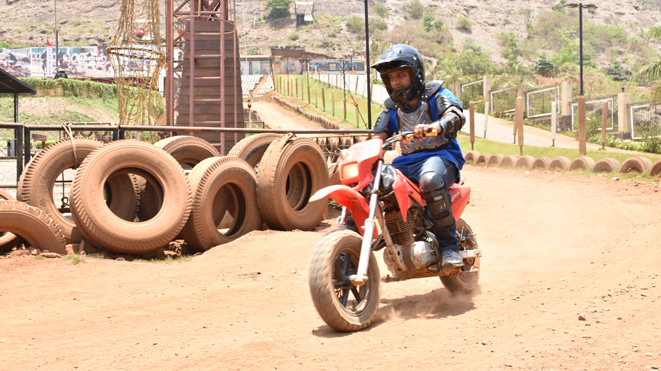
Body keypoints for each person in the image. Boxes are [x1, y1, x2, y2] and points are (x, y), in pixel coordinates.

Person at [371, 44, 466, 270]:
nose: (396, 82)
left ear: (416, 73)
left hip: (442, 157)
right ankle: (379, 232)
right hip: (407, 163)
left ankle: (449, 247)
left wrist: (436, 126)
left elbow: (455, 115)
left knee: (430, 180)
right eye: (390, 77)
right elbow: (378, 138)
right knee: (372, 181)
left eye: (401, 75)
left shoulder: (436, 94)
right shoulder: (391, 108)